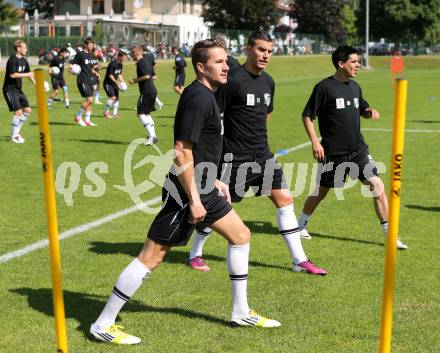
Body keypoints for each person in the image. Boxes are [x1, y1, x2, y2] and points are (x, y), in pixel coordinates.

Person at [90, 38, 280, 345]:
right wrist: (193, 199)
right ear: (201, 67)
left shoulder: (210, 95)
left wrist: (215, 179)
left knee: (241, 235)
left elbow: (202, 149)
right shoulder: (197, 97)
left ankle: (241, 310)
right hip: (186, 190)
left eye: (227, 60)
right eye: (219, 61)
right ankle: (103, 323)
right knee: (152, 256)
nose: (226, 66)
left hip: (205, 184)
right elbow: (180, 152)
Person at [186, 30, 326, 275]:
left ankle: (299, 260)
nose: (266, 55)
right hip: (233, 159)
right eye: (261, 49)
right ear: (248, 49)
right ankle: (195, 254)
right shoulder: (232, 80)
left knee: (285, 200)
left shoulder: (269, 81)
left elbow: (265, 115)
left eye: (270, 51)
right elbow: (213, 116)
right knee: (216, 207)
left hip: (263, 155)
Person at [298, 45, 408, 250]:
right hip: (333, 153)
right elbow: (307, 115)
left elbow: (362, 108)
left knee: (377, 186)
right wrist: (315, 142)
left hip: (358, 150)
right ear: (341, 64)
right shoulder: (323, 88)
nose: (358, 65)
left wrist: (368, 111)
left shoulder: (355, 87)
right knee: (322, 191)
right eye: (355, 62)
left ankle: (390, 235)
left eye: (359, 61)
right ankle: (300, 225)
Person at [3, 40, 35, 143]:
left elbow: (28, 73)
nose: (26, 49)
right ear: (18, 48)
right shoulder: (12, 59)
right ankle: (14, 136)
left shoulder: (24, 61)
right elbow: (12, 75)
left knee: (28, 110)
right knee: (18, 112)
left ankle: (16, 133)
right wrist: (28, 75)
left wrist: (36, 83)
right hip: (9, 89)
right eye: (24, 48)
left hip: (18, 90)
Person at [129, 45, 159, 145]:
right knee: (146, 113)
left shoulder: (141, 62)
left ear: (136, 53)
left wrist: (134, 80)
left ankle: (152, 136)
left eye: (131, 53)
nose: (130, 55)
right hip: (152, 90)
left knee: (140, 113)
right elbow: (151, 71)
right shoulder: (145, 61)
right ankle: (153, 135)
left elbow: (146, 76)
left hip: (146, 91)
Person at [70, 37, 99, 126]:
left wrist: (95, 73)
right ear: (86, 45)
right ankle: (78, 116)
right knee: (89, 100)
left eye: (92, 44)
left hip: (90, 80)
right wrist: (72, 70)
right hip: (82, 80)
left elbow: (91, 68)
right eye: (90, 44)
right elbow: (71, 64)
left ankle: (87, 120)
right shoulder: (80, 54)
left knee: (90, 101)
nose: (92, 46)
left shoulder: (90, 55)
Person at [103, 51, 127, 119]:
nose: (125, 58)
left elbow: (119, 74)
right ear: (119, 57)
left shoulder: (121, 65)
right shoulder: (112, 64)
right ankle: (106, 112)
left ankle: (115, 114)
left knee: (117, 99)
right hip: (108, 83)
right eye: (124, 57)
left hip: (114, 83)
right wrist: (117, 82)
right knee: (112, 97)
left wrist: (123, 81)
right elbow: (110, 75)